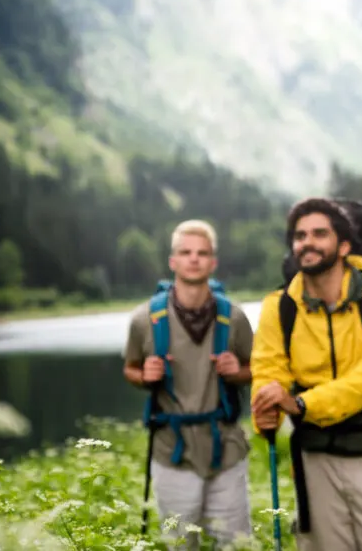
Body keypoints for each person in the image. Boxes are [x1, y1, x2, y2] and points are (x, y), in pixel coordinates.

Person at [250, 197, 362, 551]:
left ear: (343, 245)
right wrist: (264, 409)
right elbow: (267, 371)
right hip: (314, 460)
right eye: (299, 235)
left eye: (318, 233)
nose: (306, 242)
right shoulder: (278, 307)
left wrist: (299, 403)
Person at [122, 219, 254, 549]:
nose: (194, 259)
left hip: (225, 446)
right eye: (186, 252)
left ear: (213, 262)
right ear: (173, 262)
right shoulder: (145, 320)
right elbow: (130, 368)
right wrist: (145, 375)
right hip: (172, 451)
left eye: (202, 253)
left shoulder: (234, 317)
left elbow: (258, 369)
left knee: (236, 543)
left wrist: (237, 370)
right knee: (180, 544)